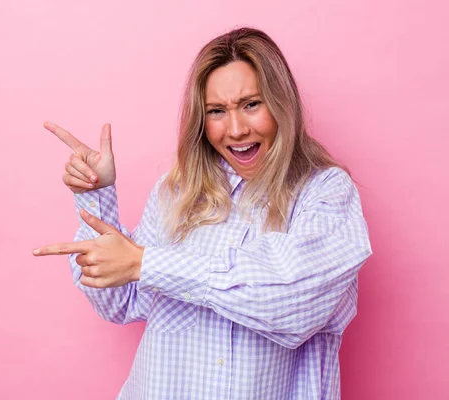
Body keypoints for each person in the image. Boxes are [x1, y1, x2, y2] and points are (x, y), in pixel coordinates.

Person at [33, 27, 372, 400]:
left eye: (251, 104)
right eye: (216, 111)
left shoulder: (325, 192)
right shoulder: (177, 191)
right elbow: (122, 303)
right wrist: (96, 195)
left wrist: (150, 264)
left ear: (282, 104)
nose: (237, 129)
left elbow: (293, 303)